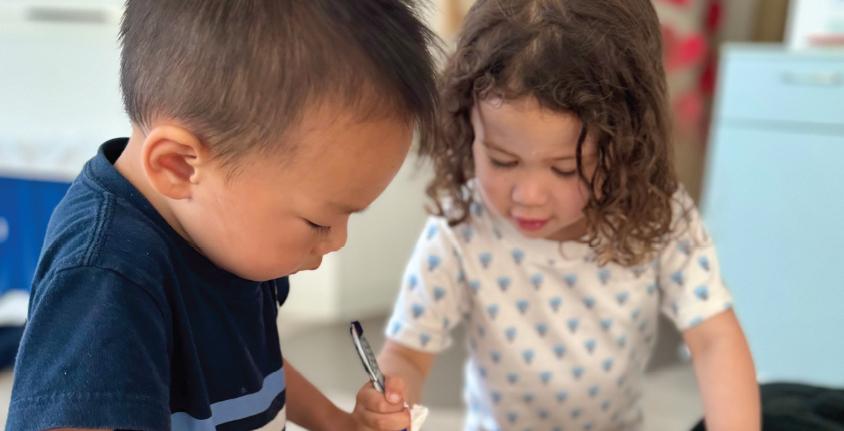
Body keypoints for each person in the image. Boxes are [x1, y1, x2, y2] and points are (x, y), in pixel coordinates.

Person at [7, 1, 438, 430]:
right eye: (318, 222)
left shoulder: (222, 230)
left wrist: (336, 421)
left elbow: (251, 363)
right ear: (179, 166)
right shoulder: (103, 280)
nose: (337, 240)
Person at [361, 0, 760, 429]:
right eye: (502, 160)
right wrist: (390, 401)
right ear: (467, 127)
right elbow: (408, 353)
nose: (529, 195)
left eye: (565, 169)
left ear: (625, 148)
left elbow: (714, 339)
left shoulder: (655, 214)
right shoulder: (463, 223)